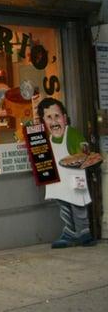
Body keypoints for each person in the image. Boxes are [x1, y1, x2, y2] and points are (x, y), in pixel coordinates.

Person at [36, 97, 96, 248]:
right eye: (49, 117)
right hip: (58, 181)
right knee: (64, 206)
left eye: (57, 116)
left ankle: (84, 232)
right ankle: (70, 232)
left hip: (74, 178)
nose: (54, 121)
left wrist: (85, 157)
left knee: (78, 205)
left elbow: (85, 152)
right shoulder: (45, 139)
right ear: (43, 121)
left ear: (64, 118)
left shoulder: (73, 134)